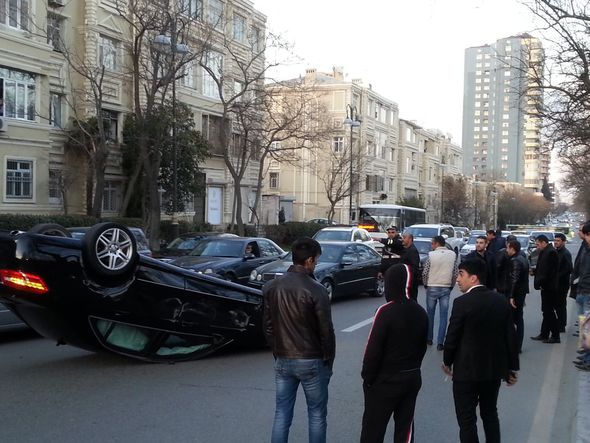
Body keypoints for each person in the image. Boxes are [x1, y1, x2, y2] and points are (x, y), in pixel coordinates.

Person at [263, 237, 336, 443]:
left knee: (282, 412)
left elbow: (268, 327)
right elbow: (326, 332)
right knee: (316, 414)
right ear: (310, 260)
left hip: (283, 358)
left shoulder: (272, 287)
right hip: (311, 359)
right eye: (317, 260)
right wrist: (328, 362)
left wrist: (278, 352)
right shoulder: (317, 289)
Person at [442, 259, 519, 443]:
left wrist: (447, 361)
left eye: (461, 274)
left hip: (466, 371)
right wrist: (511, 368)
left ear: (474, 278)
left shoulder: (461, 303)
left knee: (467, 420)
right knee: (490, 413)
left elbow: (452, 337)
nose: (458, 279)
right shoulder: (501, 301)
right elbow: (510, 337)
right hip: (493, 370)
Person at [360, 264, 428, 443]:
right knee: (405, 428)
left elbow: (373, 350)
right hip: (412, 376)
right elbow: (422, 347)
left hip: (385, 380)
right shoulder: (421, 312)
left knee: (373, 428)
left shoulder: (385, 312)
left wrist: (368, 377)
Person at [422, 235, 458, 350]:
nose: (431, 245)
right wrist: (451, 286)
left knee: (430, 314)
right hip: (445, 287)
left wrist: (425, 284)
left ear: (437, 243)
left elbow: (425, 272)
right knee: (443, 316)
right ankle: (440, 343)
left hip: (432, 286)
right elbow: (455, 272)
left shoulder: (431, 255)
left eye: (432, 243)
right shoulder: (453, 255)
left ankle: (429, 338)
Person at [530, 234, 561, 344]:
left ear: (543, 242)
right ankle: (544, 333)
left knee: (549, 312)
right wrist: (534, 272)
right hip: (546, 286)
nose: (537, 246)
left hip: (550, 287)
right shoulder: (544, 251)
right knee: (546, 311)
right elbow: (542, 268)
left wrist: (541, 281)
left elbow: (549, 272)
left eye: (538, 244)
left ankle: (555, 335)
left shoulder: (551, 252)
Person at [504, 239, 529, 353]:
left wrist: (511, 296)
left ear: (512, 248)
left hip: (516, 294)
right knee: (518, 319)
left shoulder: (515, 261)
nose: (506, 250)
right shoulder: (522, 258)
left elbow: (514, 279)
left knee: (515, 319)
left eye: (508, 247)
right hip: (521, 293)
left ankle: (514, 345)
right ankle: (517, 345)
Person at [572, 221, 590, 371]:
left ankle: (588, 360)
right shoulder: (586, 248)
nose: (579, 233)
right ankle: (585, 357)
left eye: (581, 231)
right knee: (585, 329)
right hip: (582, 290)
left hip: (588, 292)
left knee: (588, 330)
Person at [554, 232, 573, 332]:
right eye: (555, 240)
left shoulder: (566, 253)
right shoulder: (556, 251)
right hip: (556, 284)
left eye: (558, 241)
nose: (556, 242)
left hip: (562, 284)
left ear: (564, 242)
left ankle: (562, 325)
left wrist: (558, 275)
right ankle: (559, 323)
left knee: (561, 305)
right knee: (557, 305)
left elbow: (569, 268)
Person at [402, 232, 420, 300]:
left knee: (411, 300)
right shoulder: (406, 250)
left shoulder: (412, 251)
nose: (402, 239)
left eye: (404, 238)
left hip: (411, 282)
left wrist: (409, 280)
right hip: (407, 280)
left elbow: (414, 267)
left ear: (410, 239)